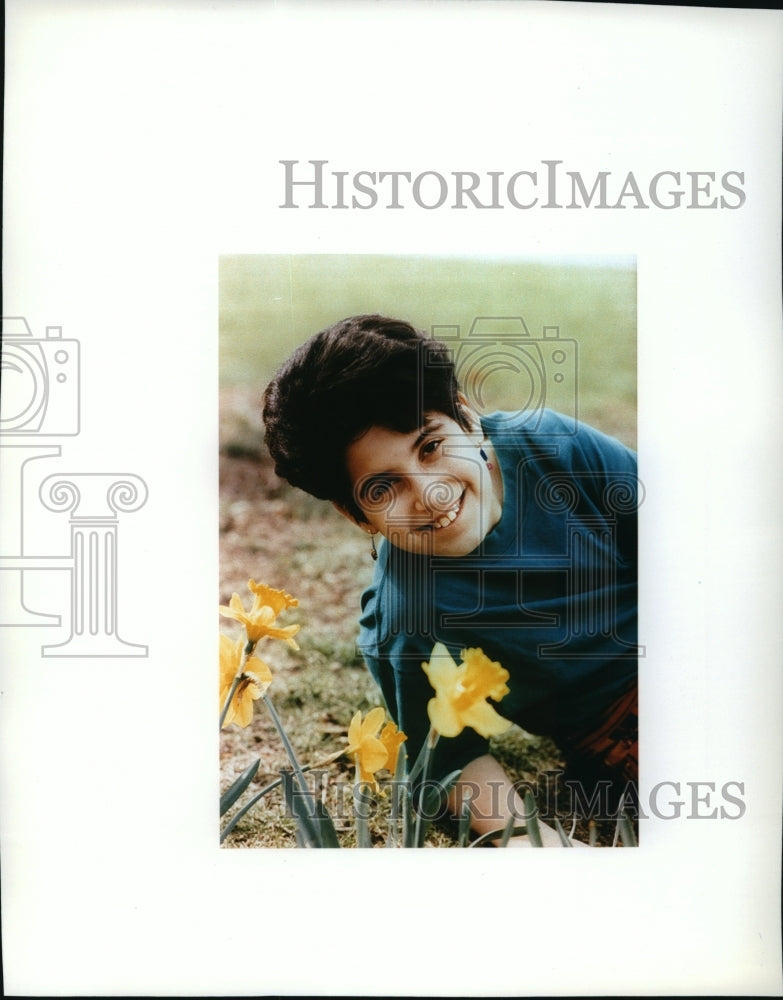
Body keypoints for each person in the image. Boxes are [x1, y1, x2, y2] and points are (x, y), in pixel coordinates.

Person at [262, 314, 639, 846]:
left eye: (431, 446)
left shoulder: (555, 446)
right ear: (356, 516)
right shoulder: (408, 618)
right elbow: (450, 764)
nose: (432, 494)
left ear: (466, 416)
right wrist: (531, 841)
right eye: (384, 487)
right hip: (620, 725)